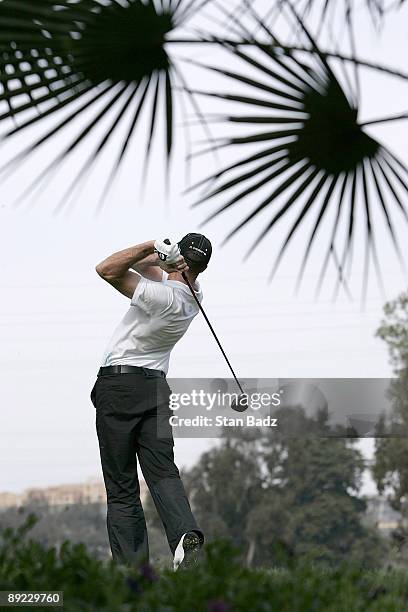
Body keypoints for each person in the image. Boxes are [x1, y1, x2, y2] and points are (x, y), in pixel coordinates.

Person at [90, 234, 212, 570]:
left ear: (183, 263)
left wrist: (150, 245)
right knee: (162, 474)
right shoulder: (194, 297)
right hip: (155, 390)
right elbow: (152, 270)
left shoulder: (160, 297)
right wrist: (163, 259)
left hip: (120, 387)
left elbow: (107, 269)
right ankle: (185, 535)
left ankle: (134, 572)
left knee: (122, 485)